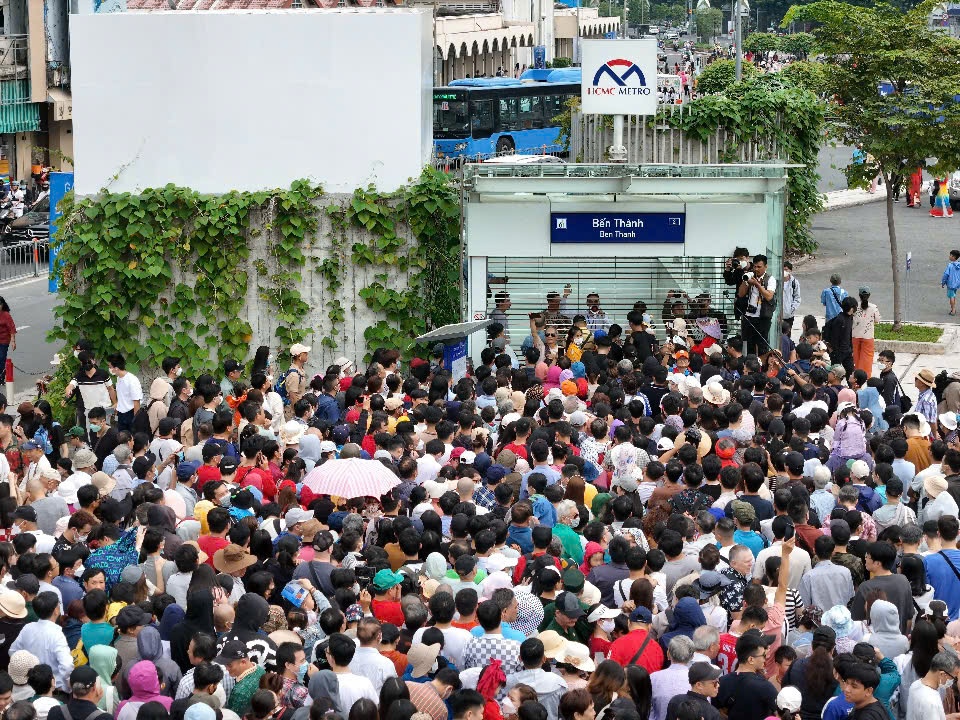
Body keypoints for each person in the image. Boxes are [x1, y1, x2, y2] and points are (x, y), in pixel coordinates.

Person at [736, 254, 777, 354]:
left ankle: (763, 367)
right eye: (754, 266)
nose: (756, 269)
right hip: (749, 316)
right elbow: (741, 294)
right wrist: (745, 281)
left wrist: (757, 284)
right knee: (750, 345)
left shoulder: (770, 279)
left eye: (759, 267)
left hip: (763, 317)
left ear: (765, 267)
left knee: (762, 345)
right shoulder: (750, 276)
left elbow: (769, 296)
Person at [852, 287, 881, 376]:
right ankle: (866, 375)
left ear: (859, 295)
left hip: (855, 335)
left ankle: (856, 374)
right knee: (867, 357)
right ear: (869, 296)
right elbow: (877, 320)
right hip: (868, 336)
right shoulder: (873, 307)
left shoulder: (855, 306)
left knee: (856, 356)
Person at [781, 262, 801, 334]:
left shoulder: (794, 282)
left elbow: (797, 297)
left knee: (787, 335)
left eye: (786, 270)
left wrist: (792, 309)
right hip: (779, 315)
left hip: (789, 316)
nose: (784, 272)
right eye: (783, 269)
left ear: (790, 271)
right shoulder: (777, 281)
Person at [0, 297, 16, 375]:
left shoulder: (6, 315)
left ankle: (1, 376)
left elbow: (11, 328)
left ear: (2, 305)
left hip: (4, 340)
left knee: (2, 357)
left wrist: (13, 341)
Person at [942, 250, 960, 316]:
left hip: (951, 284)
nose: (949, 256)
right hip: (957, 283)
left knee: (951, 296)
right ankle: (953, 307)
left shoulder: (950, 265)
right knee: (953, 295)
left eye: (950, 255)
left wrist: (943, 282)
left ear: (953, 257)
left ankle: (953, 310)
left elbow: (945, 275)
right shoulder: (959, 264)